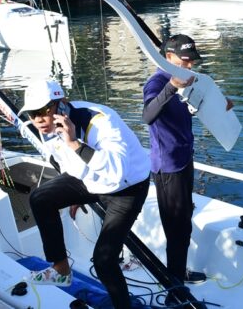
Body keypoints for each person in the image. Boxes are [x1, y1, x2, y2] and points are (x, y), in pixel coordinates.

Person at [22, 79, 150, 309]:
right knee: (40, 198)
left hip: (126, 188)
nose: (38, 119)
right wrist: (74, 195)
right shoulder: (47, 126)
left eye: (44, 110)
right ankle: (61, 269)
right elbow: (64, 162)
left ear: (61, 104)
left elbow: (116, 171)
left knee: (104, 261)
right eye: (32, 113)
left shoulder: (100, 121)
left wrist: (75, 144)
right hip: (90, 180)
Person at [142, 34, 212, 295]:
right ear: (168, 58)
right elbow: (148, 114)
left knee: (184, 222)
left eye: (192, 61)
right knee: (176, 227)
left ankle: (178, 272)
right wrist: (171, 85)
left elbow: (195, 108)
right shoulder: (157, 81)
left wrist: (220, 108)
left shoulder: (186, 82)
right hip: (168, 167)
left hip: (184, 161)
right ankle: (175, 288)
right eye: (185, 60)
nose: (190, 65)